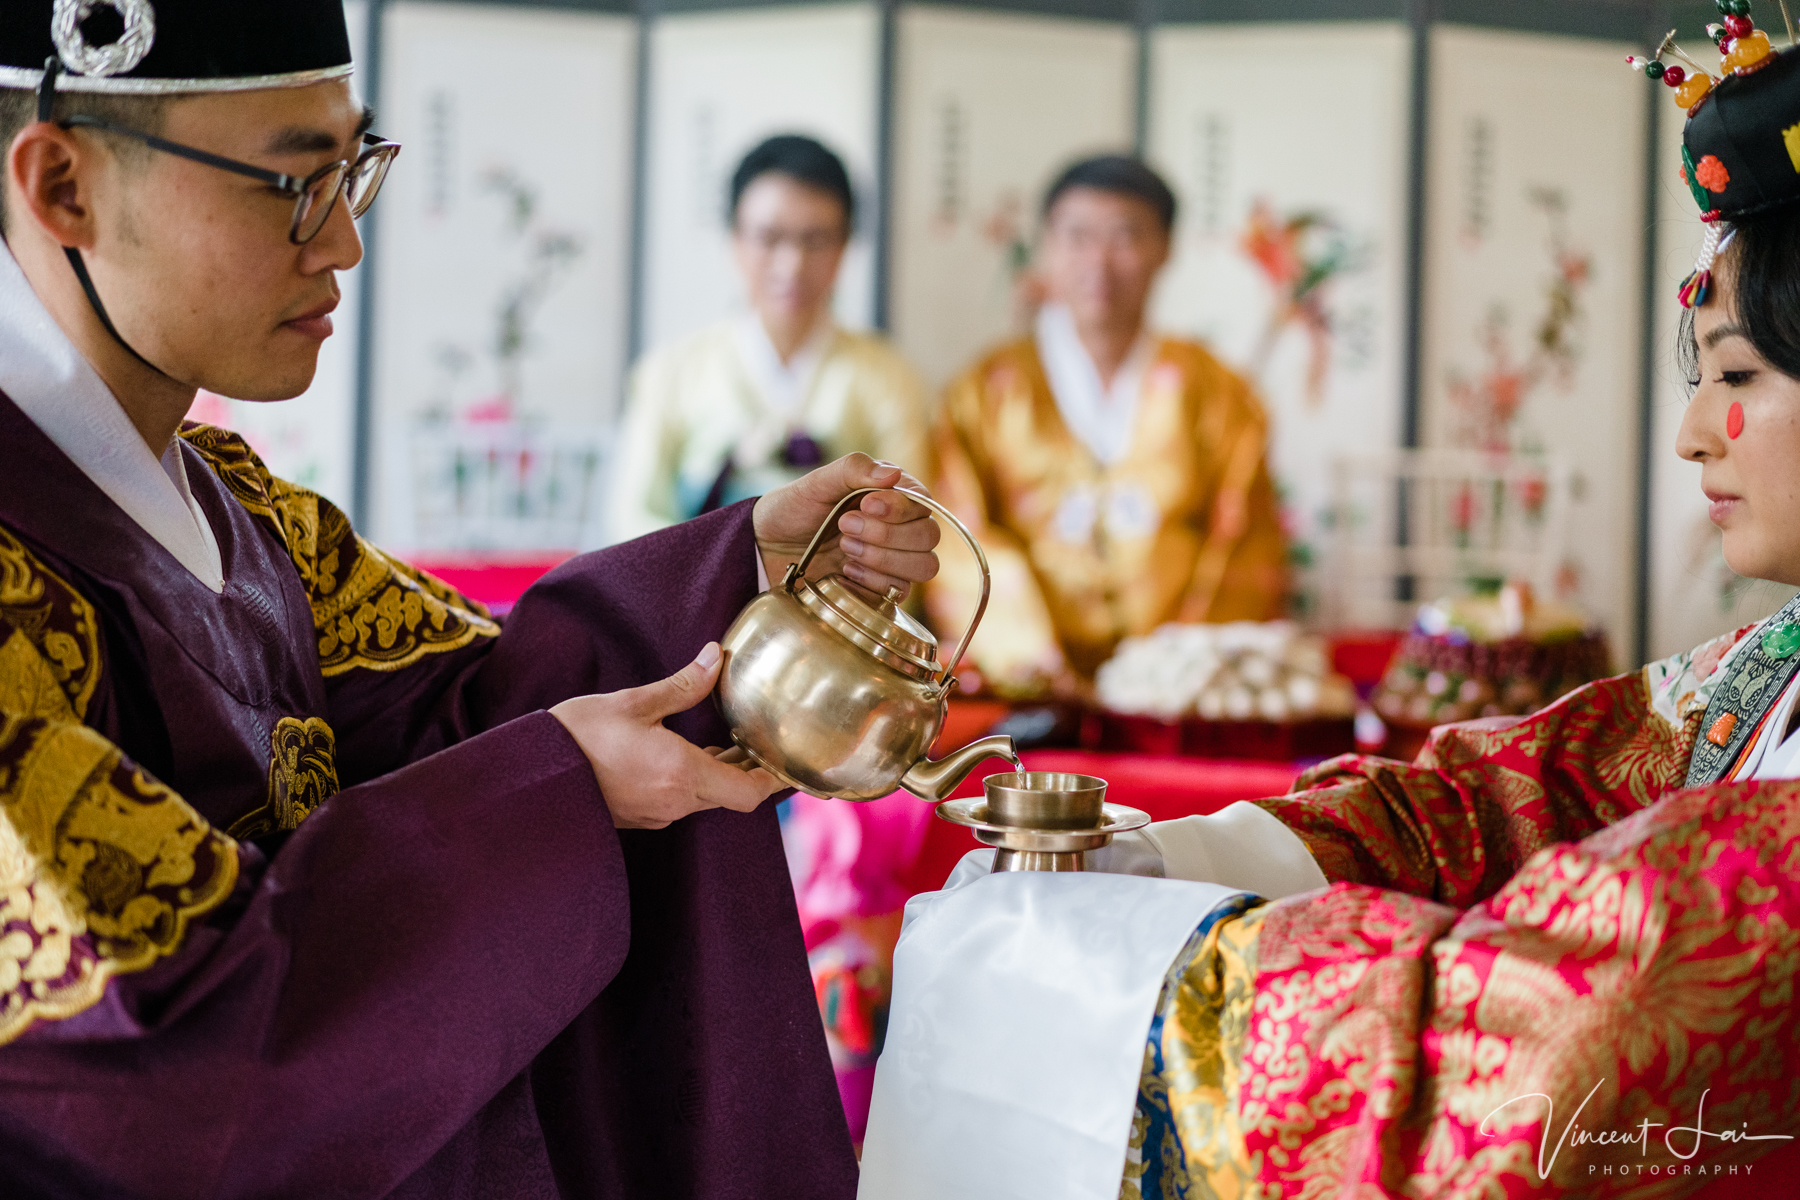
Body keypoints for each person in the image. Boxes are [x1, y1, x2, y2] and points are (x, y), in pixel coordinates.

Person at [0, 5, 943, 1197]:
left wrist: (748, 562)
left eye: (353, 171)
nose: (343, 242)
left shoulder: (243, 511)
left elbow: (473, 702)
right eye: (293, 183)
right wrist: (551, 797)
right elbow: (165, 1060)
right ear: (64, 186)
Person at [867, 39, 1800, 1198]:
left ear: (1162, 252)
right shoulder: (1770, 662)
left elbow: (1551, 1034)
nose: (1692, 434)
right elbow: (1507, 797)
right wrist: (1161, 858)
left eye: (1740, 376)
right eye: (1701, 379)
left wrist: (1134, 965)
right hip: (1047, 673)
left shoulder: (1210, 393)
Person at [926, 155, 1289, 699]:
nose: (1098, 261)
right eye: (1077, 236)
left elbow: (1244, 542)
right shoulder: (985, 392)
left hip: (1174, 698)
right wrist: (1027, 660)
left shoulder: (1219, 393)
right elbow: (959, 535)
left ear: (1165, 249)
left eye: (1125, 237)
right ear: (1046, 246)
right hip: (1026, 696)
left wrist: (1177, 671)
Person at [608, 134, 931, 542]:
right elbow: (633, 524)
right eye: (769, 237)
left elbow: (908, 525)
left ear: (845, 244)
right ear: (735, 238)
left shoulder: (891, 378)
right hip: (698, 602)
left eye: (815, 240)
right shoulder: (669, 373)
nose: (791, 264)